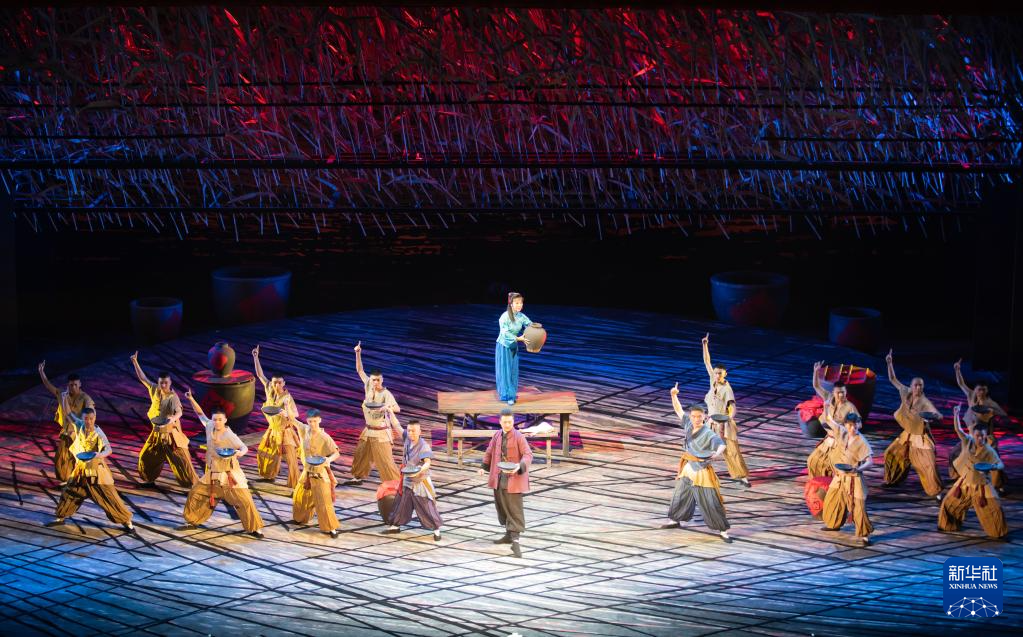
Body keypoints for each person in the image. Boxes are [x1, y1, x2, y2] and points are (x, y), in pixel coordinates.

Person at [182, 390, 265, 537]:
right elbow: (200, 414)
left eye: (220, 419)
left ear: (225, 420)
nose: (217, 422)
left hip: (229, 475)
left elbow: (243, 447)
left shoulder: (229, 435)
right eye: (215, 419)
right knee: (196, 493)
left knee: (244, 500)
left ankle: (255, 527)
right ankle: (192, 520)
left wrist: (239, 453)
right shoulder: (209, 426)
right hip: (213, 473)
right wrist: (191, 399)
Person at [49, 399, 135, 534]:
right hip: (81, 470)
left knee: (109, 497)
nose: (88, 421)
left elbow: (108, 449)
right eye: (86, 419)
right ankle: (61, 517)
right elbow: (69, 414)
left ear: (94, 418)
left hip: (96, 472)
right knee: (70, 492)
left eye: (91, 419)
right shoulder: (79, 425)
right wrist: (64, 398)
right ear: (83, 419)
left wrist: (99, 455)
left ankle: (127, 522)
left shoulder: (98, 433)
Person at [663, 386, 732, 543]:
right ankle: (675, 520)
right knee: (680, 494)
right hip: (688, 467)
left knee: (710, 500)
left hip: (701, 470)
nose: (696, 419)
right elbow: (678, 410)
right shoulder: (688, 424)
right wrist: (673, 395)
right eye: (693, 416)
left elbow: (721, 444)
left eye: (699, 416)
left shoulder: (708, 433)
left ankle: (723, 530)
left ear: (704, 417)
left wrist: (716, 454)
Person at [938, 404, 1007, 539]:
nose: (980, 438)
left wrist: (992, 467)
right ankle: (949, 525)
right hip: (965, 483)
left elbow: (1000, 464)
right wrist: (956, 414)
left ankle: (998, 532)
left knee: (994, 509)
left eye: (982, 436)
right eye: (977, 436)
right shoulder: (968, 441)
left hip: (981, 486)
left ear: (985, 436)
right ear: (973, 435)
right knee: (948, 503)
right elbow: (958, 430)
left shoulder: (988, 450)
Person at [130, 352, 197, 487]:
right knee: (146, 458)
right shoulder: (155, 389)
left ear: (170, 383)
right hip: (156, 435)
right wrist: (135, 362)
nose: (163, 385)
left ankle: (194, 485)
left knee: (183, 463)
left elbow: (179, 412)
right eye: (161, 383)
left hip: (171, 437)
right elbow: (143, 378)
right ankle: (149, 480)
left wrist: (172, 418)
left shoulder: (172, 397)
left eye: (166, 383)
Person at [882, 350, 942, 499]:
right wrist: (889, 363)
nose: (918, 388)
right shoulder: (905, 392)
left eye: (921, 386)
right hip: (907, 434)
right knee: (891, 454)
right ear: (911, 386)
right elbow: (893, 379)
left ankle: (936, 492)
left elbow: (938, 415)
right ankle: (892, 480)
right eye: (916, 385)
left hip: (920, 437)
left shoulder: (925, 402)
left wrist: (931, 418)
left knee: (927, 464)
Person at [478, 409, 533, 557]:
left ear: (513, 422)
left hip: (513, 479)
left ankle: (516, 543)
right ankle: (508, 536)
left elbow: (528, 454)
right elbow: (489, 451)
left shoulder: (519, 436)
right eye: (505, 422)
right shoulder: (497, 435)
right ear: (500, 422)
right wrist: (483, 467)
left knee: (514, 509)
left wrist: (519, 466)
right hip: (499, 478)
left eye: (510, 422)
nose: (507, 424)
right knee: (502, 507)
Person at [701, 334, 750, 488]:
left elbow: (733, 407)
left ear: (725, 374)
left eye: (720, 373)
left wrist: (728, 419)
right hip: (711, 423)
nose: (717, 375)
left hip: (723, 424)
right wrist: (705, 345)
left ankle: (742, 477)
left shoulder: (727, 389)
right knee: (703, 447)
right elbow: (707, 362)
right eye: (715, 373)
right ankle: (698, 473)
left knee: (731, 451)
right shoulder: (712, 381)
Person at [952, 359, 1008, 490]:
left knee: (991, 459)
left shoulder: (989, 402)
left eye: (983, 390)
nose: (980, 392)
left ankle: (998, 485)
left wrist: (991, 411)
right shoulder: (971, 395)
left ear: (986, 391)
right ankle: (962, 478)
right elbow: (961, 384)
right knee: (957, 454)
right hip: (971, 437)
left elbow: (1003, 414)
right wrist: (957, 370)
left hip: (985, 438)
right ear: (976, 390)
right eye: (979, 390)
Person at [384, 420, 443, 541]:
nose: (411, 433)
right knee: (402, 503)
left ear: (420, 431)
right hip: (407, 478)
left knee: (426, 506)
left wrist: (419, 470)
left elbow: (427, 463)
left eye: (413, 431)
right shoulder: (407, 438)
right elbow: (397, 425)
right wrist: (389, 412)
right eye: (409, 430)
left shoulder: (423, 446)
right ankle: (395, 525)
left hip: (419, 481)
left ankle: (436, 529)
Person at [820, 412, 874, 545]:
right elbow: (830, 420)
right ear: (845, 425)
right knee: (833, 499)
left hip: (854, 478)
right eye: (850, 425)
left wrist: (858, 469)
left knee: (857, 507)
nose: (853, 428)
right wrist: (826, 405)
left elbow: (870, 462)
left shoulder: (861, 441)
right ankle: (834, 524)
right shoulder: (843, 432)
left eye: (855, 425)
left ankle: (864, 535)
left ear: (858, 425)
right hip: (840, 476)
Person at [38, 360, 95, 482]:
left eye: (75, 385)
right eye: (71, 385)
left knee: (78, 460)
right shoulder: (63, 395)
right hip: (66, 433)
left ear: (80, 384)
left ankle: (78, 480)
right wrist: (41, 372)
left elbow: (91, 411)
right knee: (61, 460)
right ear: (68, 385)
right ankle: (67, 480)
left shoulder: (85, 398)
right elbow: (49, 386)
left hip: (79, 435)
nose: (73, 387)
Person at [253, 344, 301, 487]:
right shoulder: (269, 388)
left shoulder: (287, 397)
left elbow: (296, 414)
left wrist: (286, 412)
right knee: (264, 453)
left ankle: (296, 484)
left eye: (280, 383)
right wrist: (255, 357)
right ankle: (269, 476)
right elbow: (260, 375)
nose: (277, 385)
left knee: (291, 459)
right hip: (272, 430)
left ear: (284, 383)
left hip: (285, 432)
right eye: (275, 383)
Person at [292, 409, 341, 538]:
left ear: (319, 420)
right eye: (310, 421)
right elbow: (293, 420)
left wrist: (329, 460)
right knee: (300, 496)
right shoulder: (305, 430)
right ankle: (300, 518)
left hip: (320, 472)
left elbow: (336, 453)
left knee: (324, 501)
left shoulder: (324, 437)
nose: (312, 424)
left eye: (314, 421)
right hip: (307, 471)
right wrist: (285, 408)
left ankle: (331, 528)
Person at [807, 361, 860, 478]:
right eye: (838, 393)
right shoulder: (828, 397)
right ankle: (818, 484)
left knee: (836, 467)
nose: (841, 395)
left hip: (840, 442)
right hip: (828, 441)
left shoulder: (850, 407)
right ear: (833, 392)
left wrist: (848, 428)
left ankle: (837, 486)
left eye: (843, 393)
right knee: (813, 461)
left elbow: (859, 424)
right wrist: (816, 372)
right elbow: (816, 386)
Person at [348, 402, 402, 485]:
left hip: (381, 433)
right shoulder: (368, 397)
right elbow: (365, 406)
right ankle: (358, 477)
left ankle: (395, 483)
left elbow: (397, 408)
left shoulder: (386, 396)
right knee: (361, 455)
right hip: (368, 431)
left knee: (385, 460)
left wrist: (388, 407)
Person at [495, 292, 533, 405]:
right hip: (504, 345)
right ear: (511, 304)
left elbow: (529, 324)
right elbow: (505, 333)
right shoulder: (505, 317)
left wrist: (535, 328)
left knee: (513, 370)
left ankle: (511, 393)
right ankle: (507, 395)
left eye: (521, 303)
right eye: (517, 303)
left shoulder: (521, 316)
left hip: (513, 346)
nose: (519, 305)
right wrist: (518, 338)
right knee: (505, 371)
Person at [354, 341, 400, 412]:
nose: (376, 382)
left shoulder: (386, 393)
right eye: (374, 380)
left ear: (382, 380)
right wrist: (358, 353)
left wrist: (388, 408)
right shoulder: (369, 383)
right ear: (371, 379)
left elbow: (397, 409)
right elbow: (360, 370)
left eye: (378, 380)